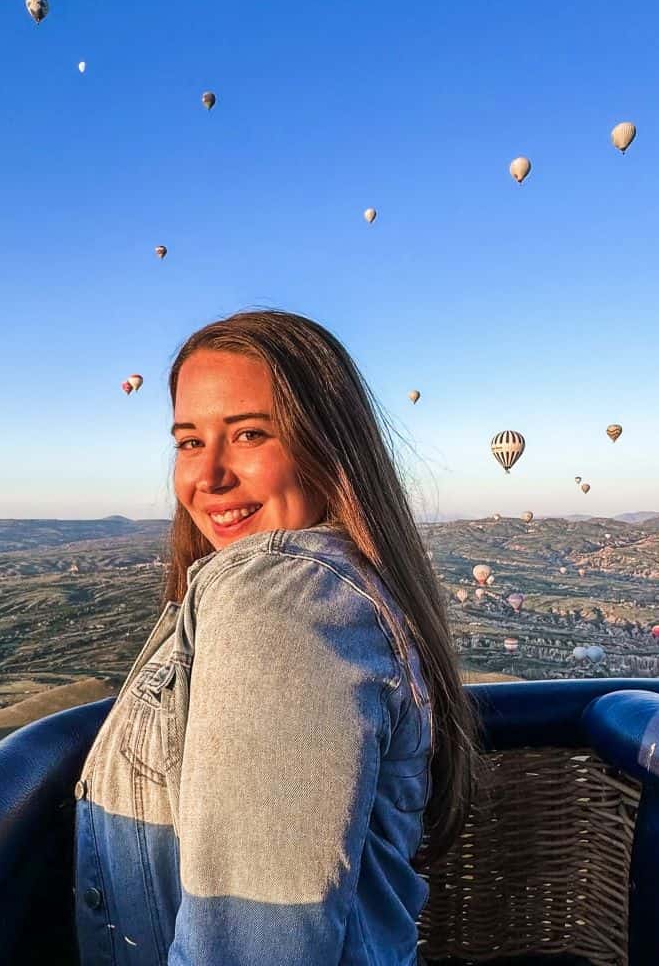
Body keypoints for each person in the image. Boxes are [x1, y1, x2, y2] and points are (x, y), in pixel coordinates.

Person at [74, 310, 477, 965]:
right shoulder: (331, 589)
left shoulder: (276, 596)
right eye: (188, 441)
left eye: (250, 434)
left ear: (328, 444)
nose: (207, 478)